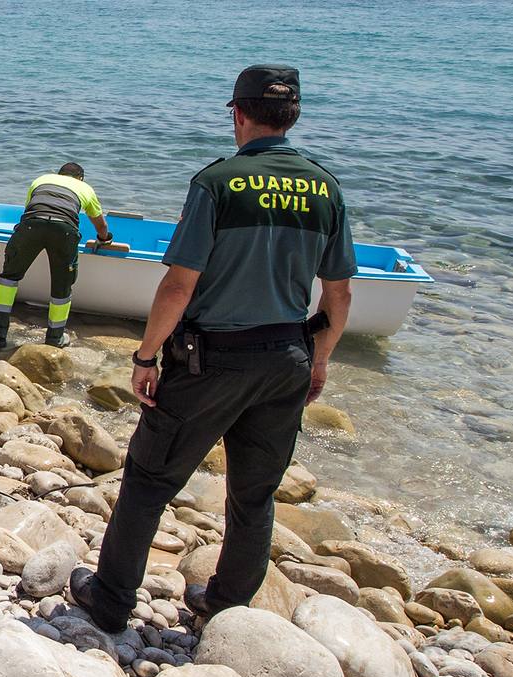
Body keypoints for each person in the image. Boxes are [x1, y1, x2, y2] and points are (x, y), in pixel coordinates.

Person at [69, 64, 355, 633]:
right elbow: (340, 292)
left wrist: (146, 356)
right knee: (254, 493)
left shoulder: (219, 183)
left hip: (212, 361)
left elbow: (179, 285)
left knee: (149, 480)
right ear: (292, 115)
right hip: (287, 360)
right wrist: (320, 359)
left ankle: (111, 601)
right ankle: (225, 606)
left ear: (239, 114)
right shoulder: (326, 187)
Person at [0, 162, 115, 349]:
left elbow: (30, 210)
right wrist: (105, 239)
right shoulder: (85, 188)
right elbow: (101, 226)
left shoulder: (41, 180)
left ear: (59, 174)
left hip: (31, 225)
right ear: (80, 178)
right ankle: (55, 338)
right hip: (64, 231)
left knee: (9, 277)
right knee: (62, 286)